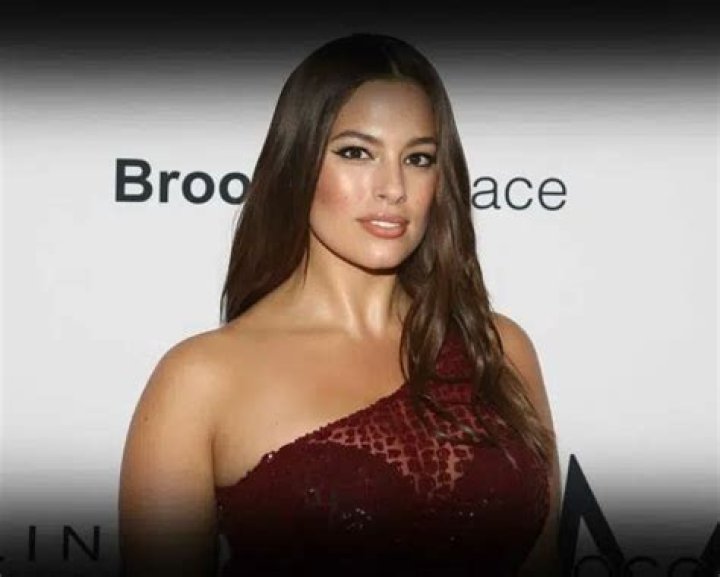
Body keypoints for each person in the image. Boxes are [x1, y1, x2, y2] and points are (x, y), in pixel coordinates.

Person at [118, 32, 562, 577]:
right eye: (356, 152)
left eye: (418, 158)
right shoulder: (200, 380)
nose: (393, 187)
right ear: (299, 163)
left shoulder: (497, 349)